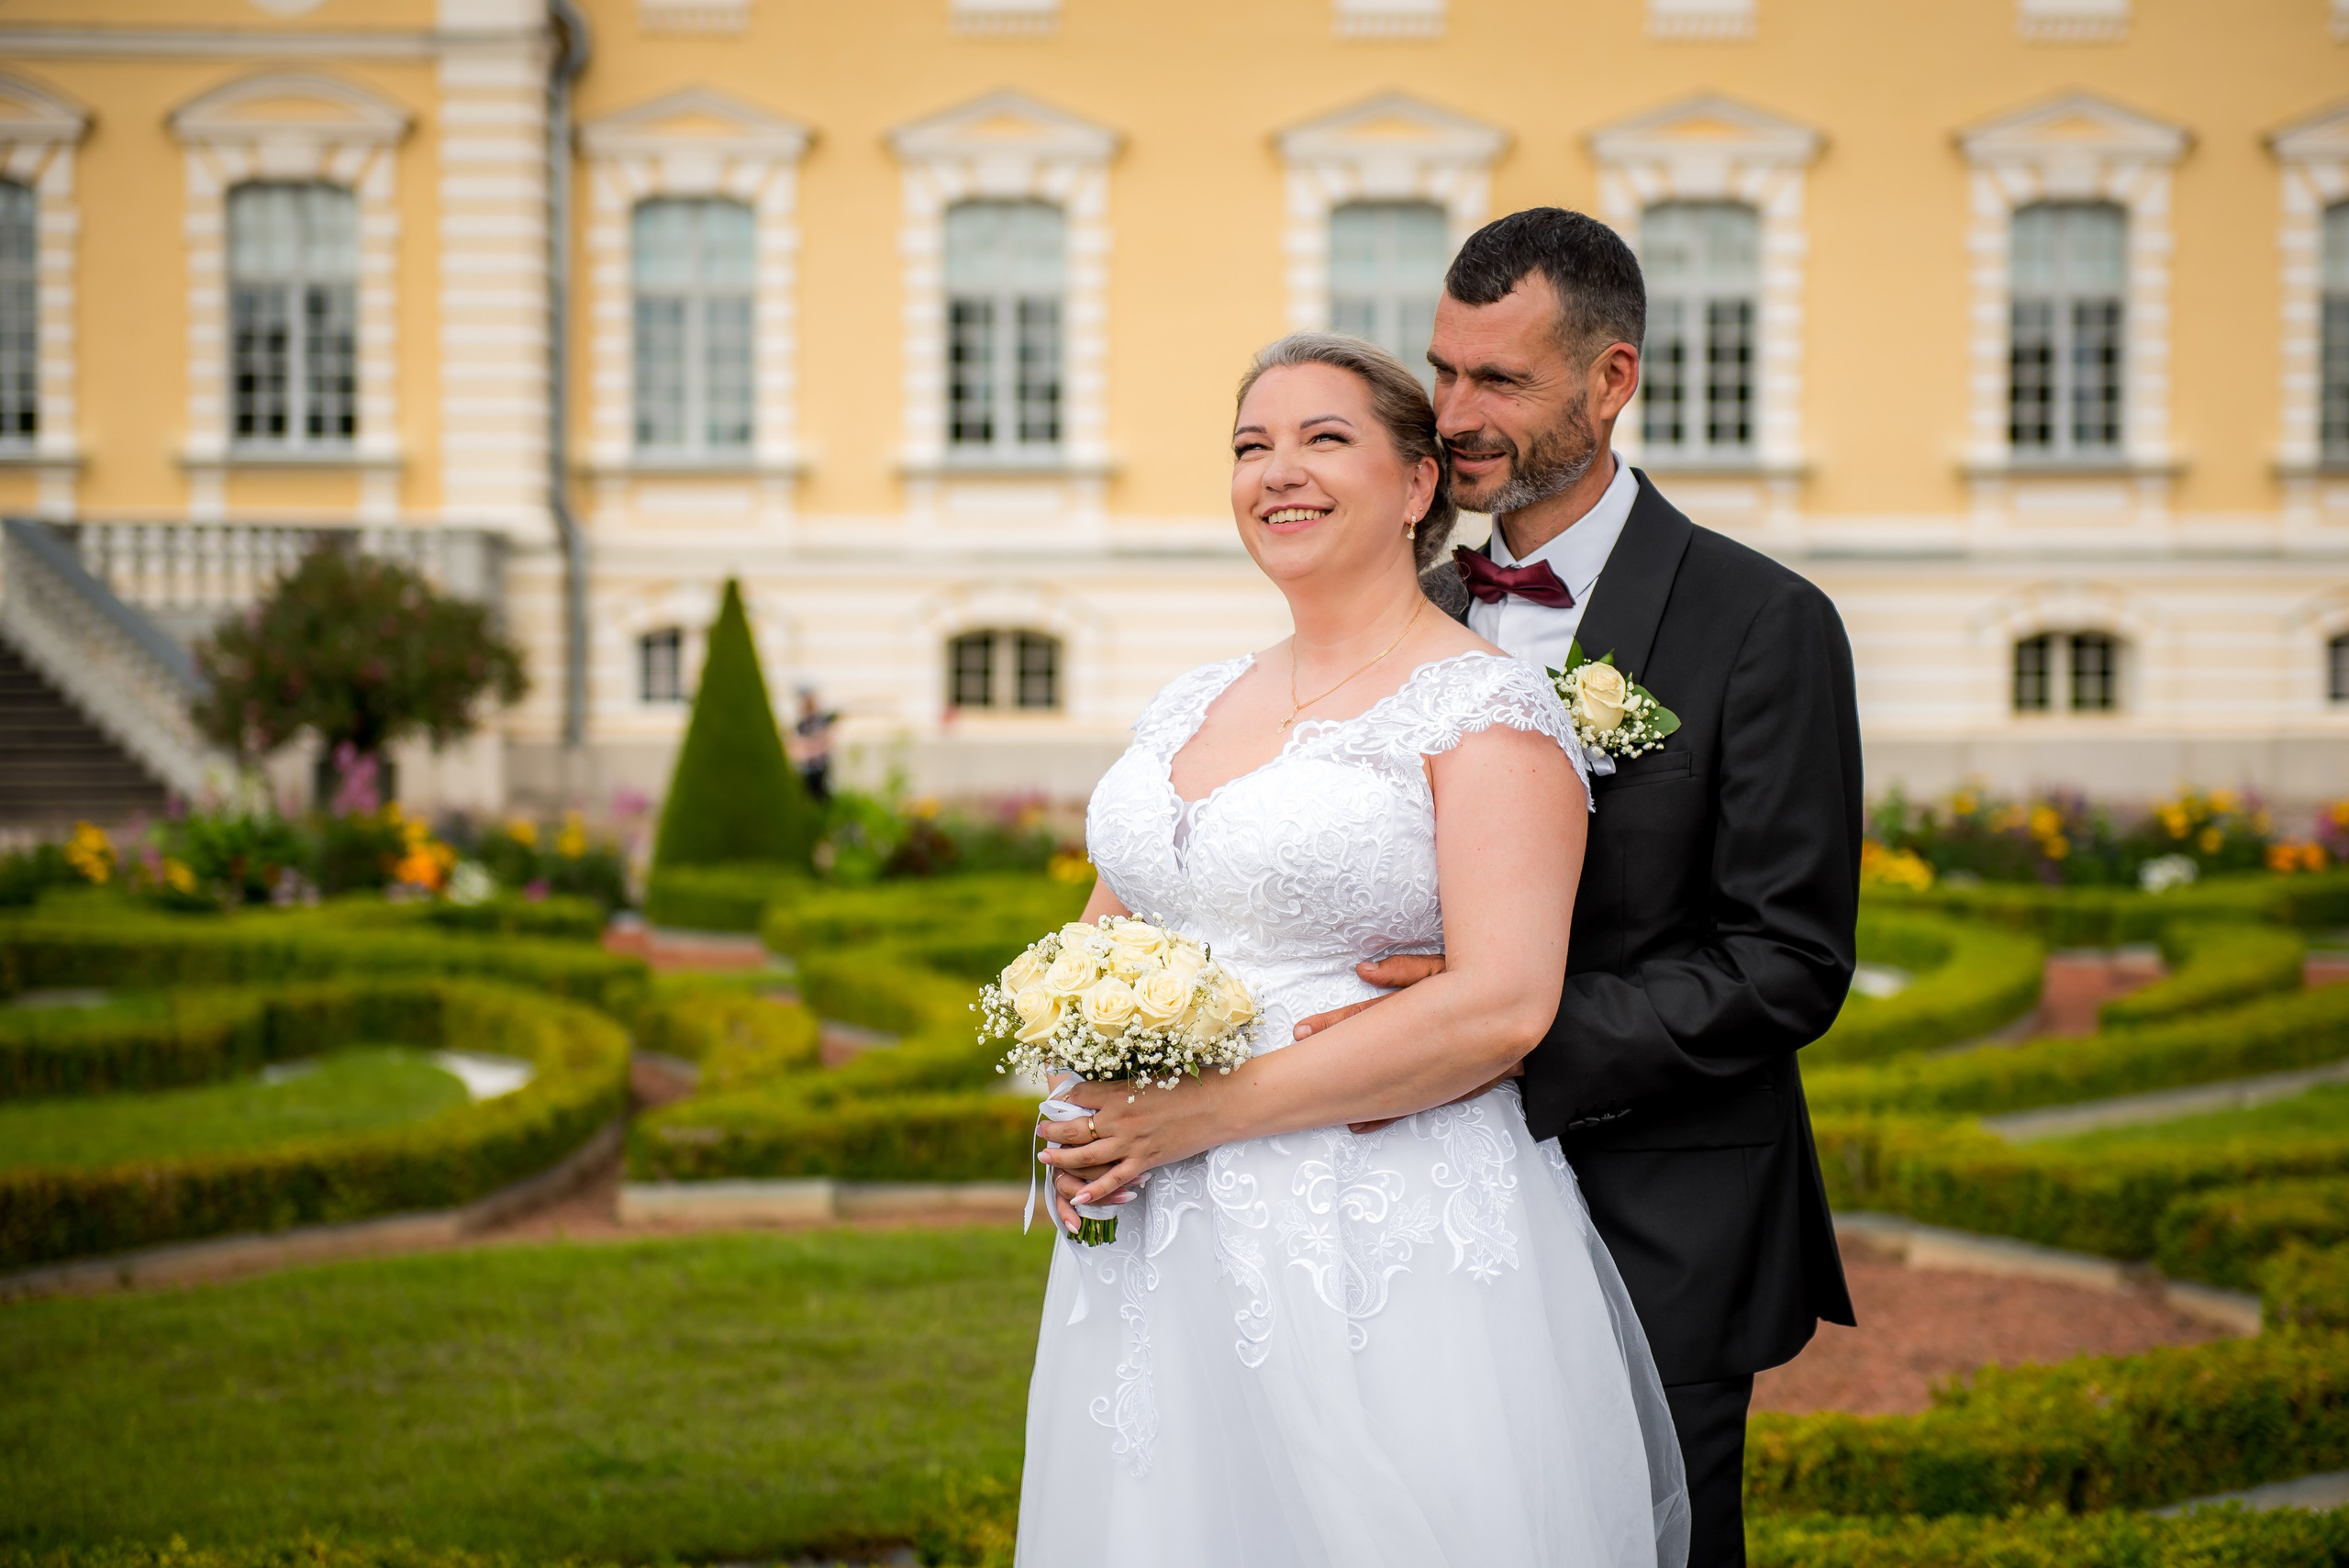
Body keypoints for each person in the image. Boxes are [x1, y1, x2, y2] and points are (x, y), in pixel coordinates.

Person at [1044, 209, 1862, 1568]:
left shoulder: (1760, 622)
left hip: (1652, 1198)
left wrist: (1491, 1023)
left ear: (1610, 379)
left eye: (1501, 380)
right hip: (1329, 1202)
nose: (1458, 410)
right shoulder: (1398, 600)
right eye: (1443, 371)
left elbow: (1788, 959)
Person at [1018, 331, 1689, 1567]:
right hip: (1161, 1230)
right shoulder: (1188, 702)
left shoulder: (1483, 706)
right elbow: (1110, 930)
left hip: (1375, 1223)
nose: (1278, 471)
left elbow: (1502, 1004)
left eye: (1324, 439)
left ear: (1419, 483)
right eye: (1251, 446)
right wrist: (1075, 1103)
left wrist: (1196, 1115)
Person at [790, 685, 837, 805]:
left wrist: (814, 745)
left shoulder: (821, 721)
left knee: (823, 795)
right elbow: (799, 745)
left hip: (820, 765)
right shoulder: (802, 724)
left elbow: (825, 741)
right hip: (809, 766)